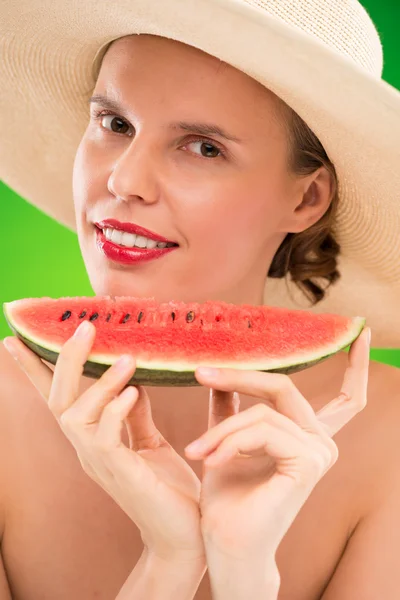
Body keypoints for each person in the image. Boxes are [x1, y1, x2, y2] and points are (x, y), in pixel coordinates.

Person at [1, 1, 400, 599]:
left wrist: (242, 572)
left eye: (203, 147)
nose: (124, 181)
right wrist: (171, 560)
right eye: (114, 124)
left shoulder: (390, 445)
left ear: (306, 198)